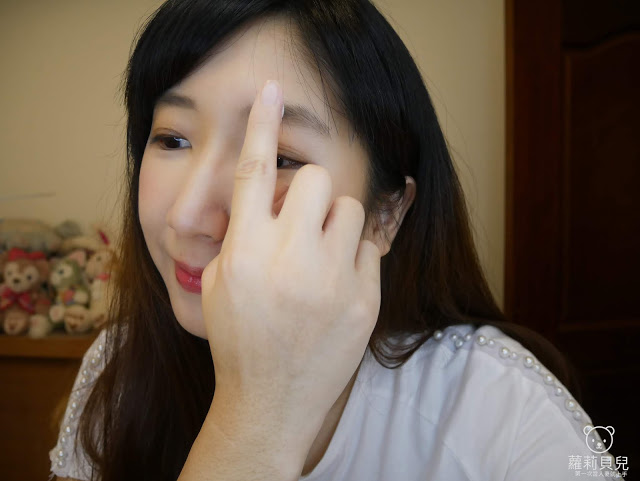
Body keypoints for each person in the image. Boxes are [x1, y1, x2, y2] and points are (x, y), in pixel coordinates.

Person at [49, 1, 622, 480]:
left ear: (386, 214)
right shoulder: (122, 367)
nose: (187, 216)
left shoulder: (504, 416)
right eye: (172, 139)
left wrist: (260, 410)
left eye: (279, 158)